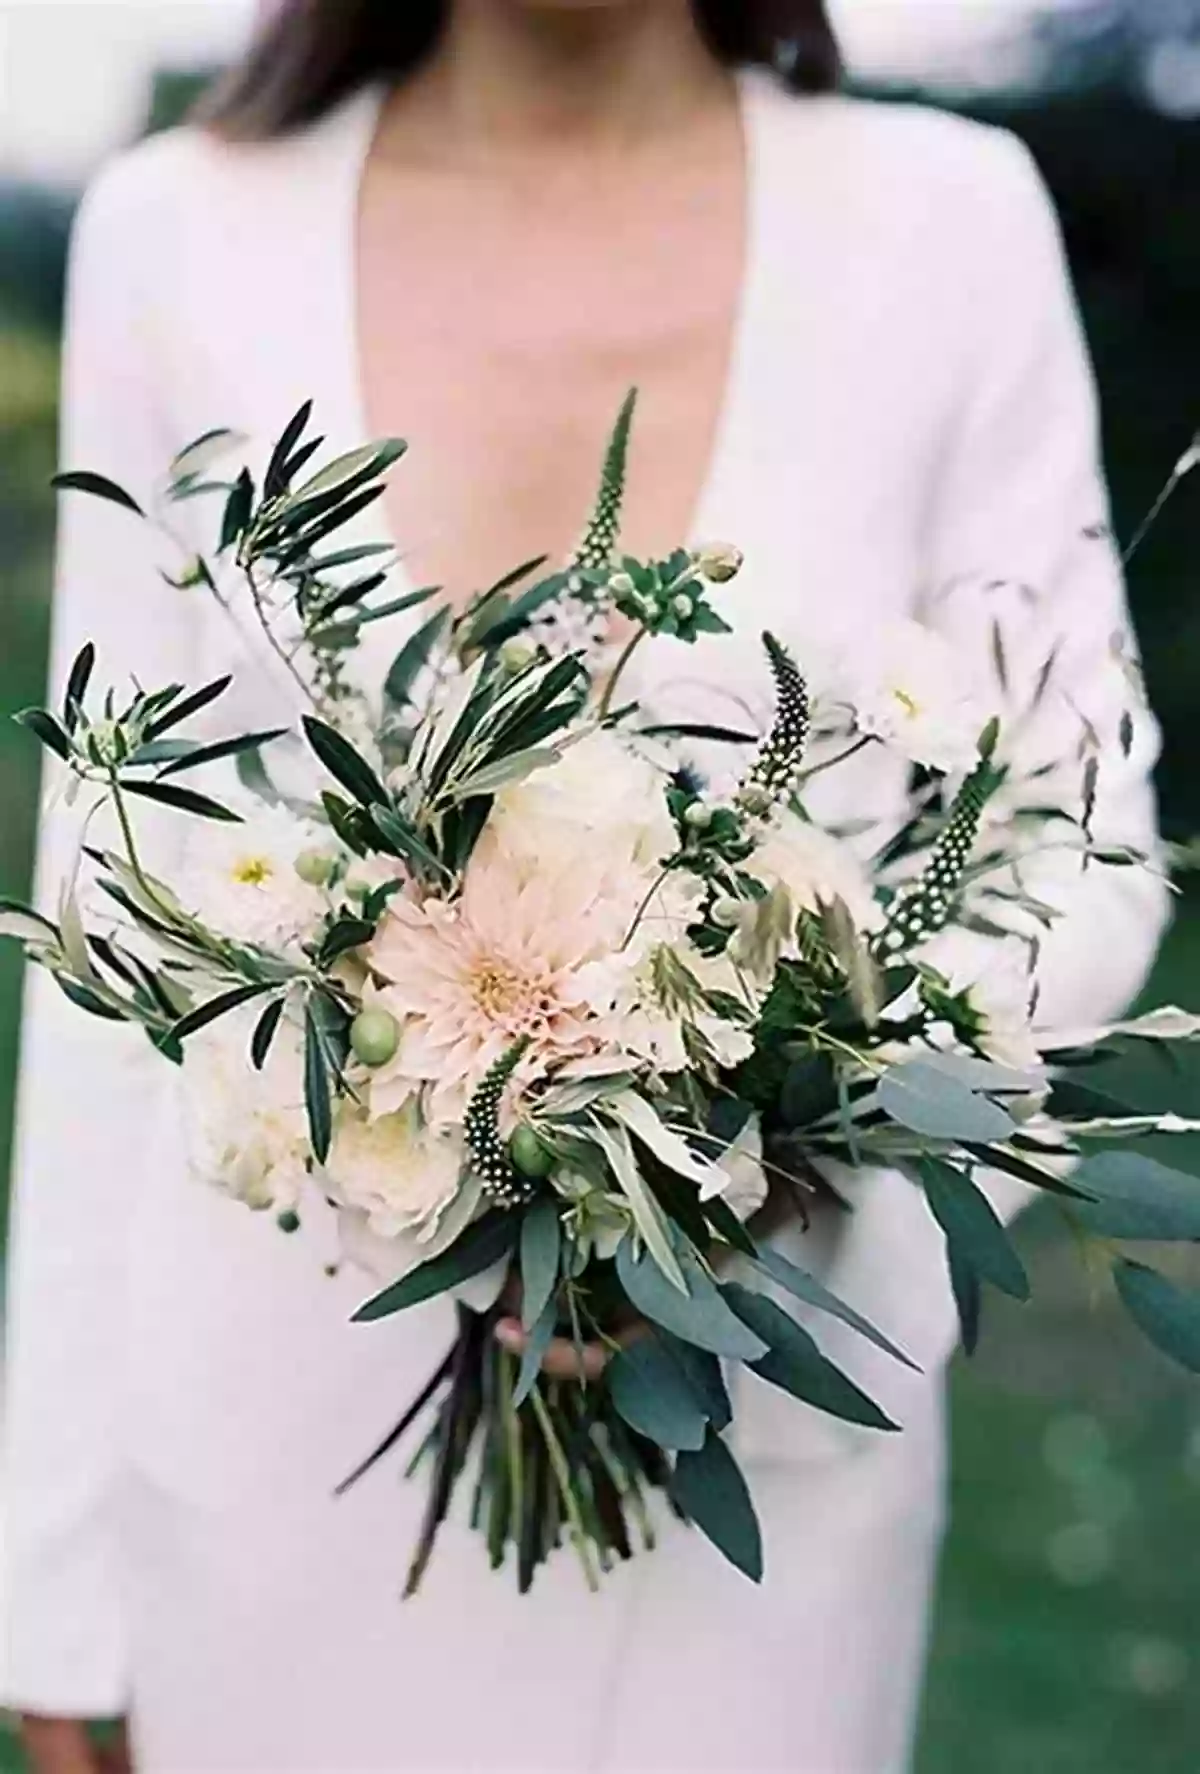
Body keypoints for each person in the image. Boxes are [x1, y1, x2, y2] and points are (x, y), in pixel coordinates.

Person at [1, 2, 1169, 1770]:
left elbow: (1079, 813)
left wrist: (802, 1105)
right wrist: (53, 1579)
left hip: (755, 1435)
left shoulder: (948, 220)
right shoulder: (181, 230)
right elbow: (104, 901)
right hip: (263, 1441)